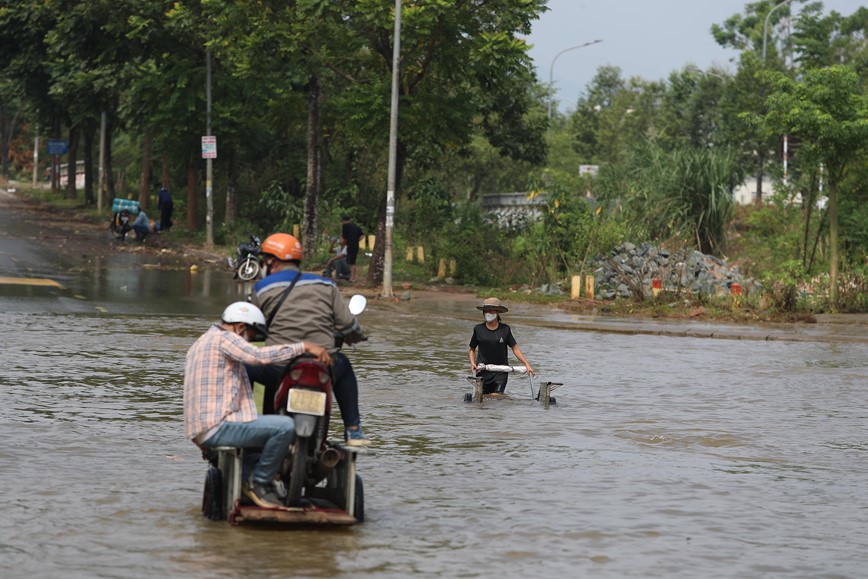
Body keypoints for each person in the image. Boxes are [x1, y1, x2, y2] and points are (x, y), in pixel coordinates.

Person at [184, 301, 332, 509]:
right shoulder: (224, 339)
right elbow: (259, 356)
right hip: (219, 426)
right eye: (252, 336)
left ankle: (248, 481)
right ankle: (259, 483)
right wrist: (305, 346)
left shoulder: (201, 343)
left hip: (204, 427)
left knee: (266, 436)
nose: (251, 341)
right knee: (285, 427)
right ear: (241, 328)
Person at [248, 232, 371, 446]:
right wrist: (357, 337)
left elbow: (250, 325)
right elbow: (348, 324)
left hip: (279, 365)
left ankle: (241, 419)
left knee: (244, 365)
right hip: (323, 363)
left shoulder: (261, 288)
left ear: (272, 262)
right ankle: (353, 430)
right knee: (345, 366)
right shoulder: (326, 285)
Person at [468, 297, 535, 394]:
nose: (488, 313)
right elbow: (472, 349)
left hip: (501, 371)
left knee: (497, 397)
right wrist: (472, 363)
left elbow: (515, 348)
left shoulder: (505, 329)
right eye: (486, 311)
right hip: (482, 371)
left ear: (497, 312)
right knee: (482, 399)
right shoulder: (478, 329)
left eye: (491, 311)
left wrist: (527, 365)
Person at [340, 216, 364, 282]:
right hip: (355, 245)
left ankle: (353, 278)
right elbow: (362, 235)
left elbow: (344, 237)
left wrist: (343, 244)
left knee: (352, 262)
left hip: (350, 245)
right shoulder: (355, 226)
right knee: (351, 261)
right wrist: (356, 240)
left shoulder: (345, 226)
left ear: (343, 221)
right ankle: (352, 276)